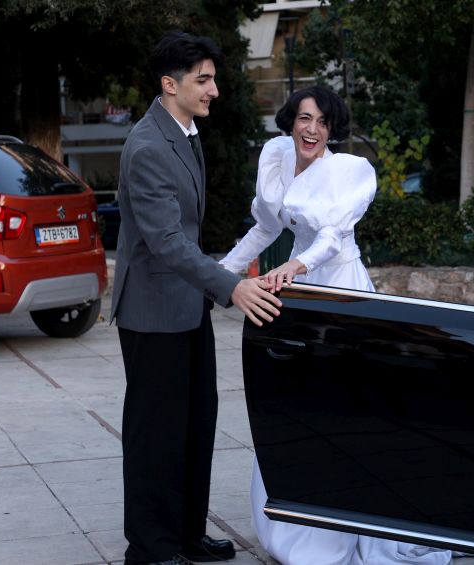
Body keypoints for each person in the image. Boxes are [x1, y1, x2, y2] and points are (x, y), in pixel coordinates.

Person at [219, 85, 452, 565]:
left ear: (332, 129)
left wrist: (292, 268)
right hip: (302, 294)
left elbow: (329, 239)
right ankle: (301, 523)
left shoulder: (348, 172)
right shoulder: (278, 157)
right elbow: (265, 227)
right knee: (297, 406)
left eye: (323, 122)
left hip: (342, 291)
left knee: (348, 409)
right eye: (305, 118)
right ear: (291, 120)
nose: (313, 130)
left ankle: (360, 526)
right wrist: (219, 274)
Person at [110, 31, 282, 565]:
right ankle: (151, 548)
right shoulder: (147, 146)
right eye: (203, 80)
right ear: (170, 84)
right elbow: (166, 240)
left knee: (195, 424)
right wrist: (231, 284)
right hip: (152, 312)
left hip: (187, 306)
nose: (214, 90)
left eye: (213, 79)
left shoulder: (184, 132)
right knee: (156, 436)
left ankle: (186, 534)